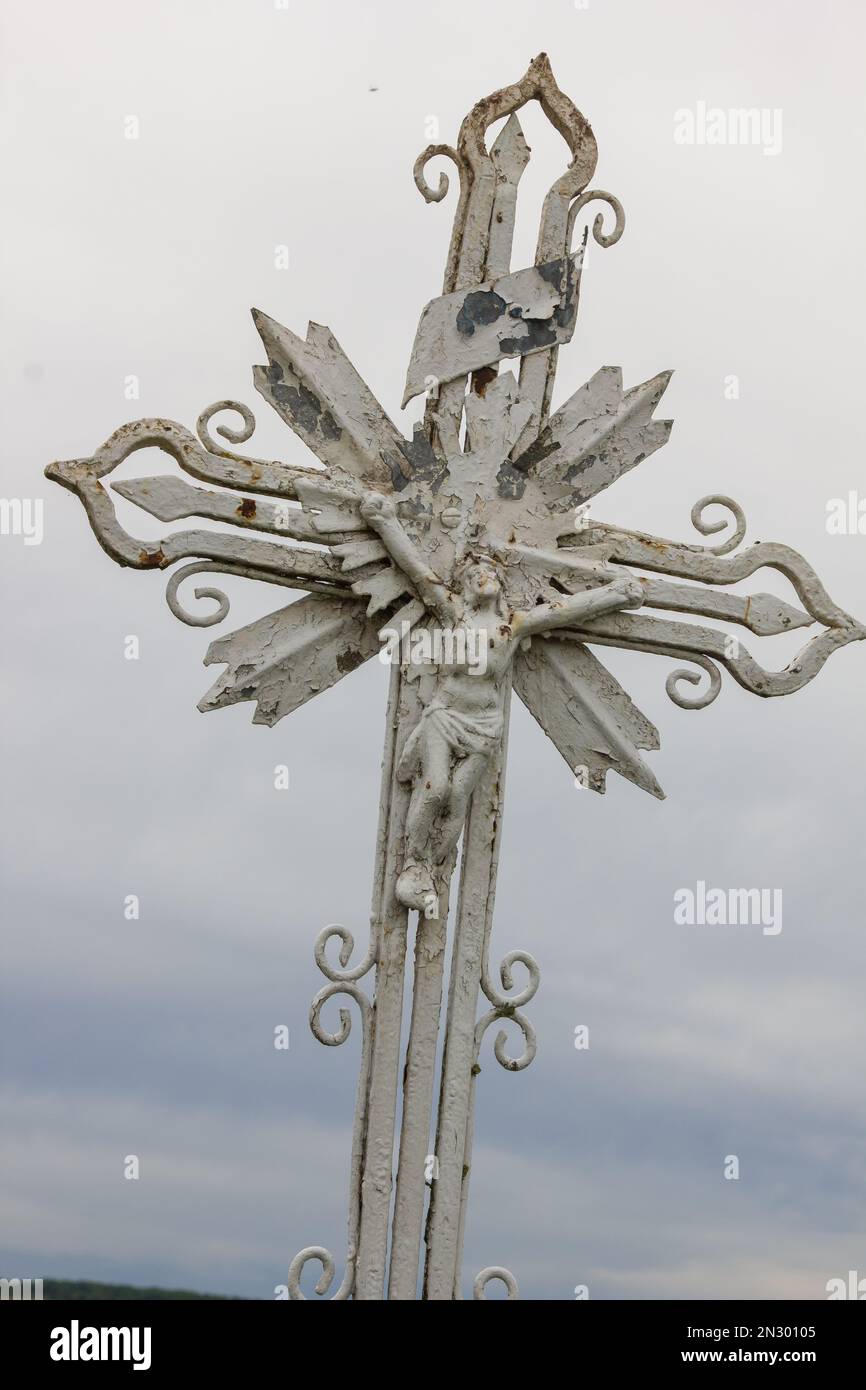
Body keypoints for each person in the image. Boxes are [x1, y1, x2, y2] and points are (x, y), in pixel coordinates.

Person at [360, 492, 644, 917]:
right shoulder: (452, 613)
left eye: (490, 573)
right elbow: (418, 573)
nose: (483, 577)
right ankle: (411, 865)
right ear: (464, 584)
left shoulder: (513, 625)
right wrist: (385, 523)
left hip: (485, 723)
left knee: (457, 796)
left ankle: (431, 871)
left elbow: (564, 610)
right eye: (475, 573)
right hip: (445, 716)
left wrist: (618, 594)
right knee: (436, 786)